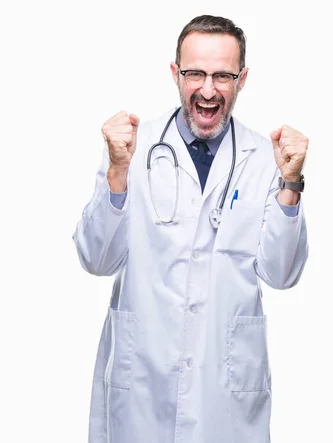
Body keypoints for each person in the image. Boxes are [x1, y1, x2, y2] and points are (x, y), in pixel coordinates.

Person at [72, 14, 309, 443]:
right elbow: (95, 259)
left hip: (225, 393)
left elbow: (282, 273)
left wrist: (291, 183)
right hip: (143, 384)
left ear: (242, 80)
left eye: (223, 75)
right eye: (195, 73)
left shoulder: (263, 157)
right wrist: (118, 175)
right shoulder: (130, 149)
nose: (207, 88)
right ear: (175, 74)